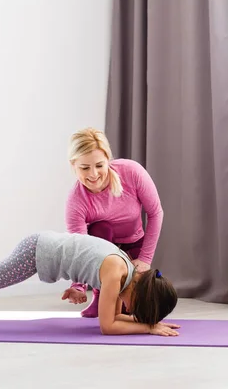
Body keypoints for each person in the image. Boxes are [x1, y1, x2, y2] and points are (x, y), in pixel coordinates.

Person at [0, 231, 179, 336]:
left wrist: (146, 323)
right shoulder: (118, 274)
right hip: (35, 253)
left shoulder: (126, 271)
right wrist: (148, 327)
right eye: (136, 310)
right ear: (138, 297)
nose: (129, 312)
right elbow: (108, 326)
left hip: (39, 245)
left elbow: (115, 316)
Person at [64, 127, 164, 318]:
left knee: (140, 306)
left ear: (108, 160)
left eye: (99, 165)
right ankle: (100, 296)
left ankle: (122, 296)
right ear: (73, 166)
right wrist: (78, 285)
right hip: (103, 249)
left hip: (134, 242)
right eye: (84, 168)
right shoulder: (75, 202)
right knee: (101, 228)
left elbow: (155, 213)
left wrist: (145, 260)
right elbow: (79, 248)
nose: (93, 175)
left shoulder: (132, 172)